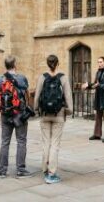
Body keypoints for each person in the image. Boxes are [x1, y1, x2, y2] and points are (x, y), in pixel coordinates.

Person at [34, 54, 73, 184]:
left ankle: (45, 168)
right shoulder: (63, 78)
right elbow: (68, 97)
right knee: (55, 144)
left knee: (46, 142)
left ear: (47, 63)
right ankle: (52, 174)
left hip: (45, 114)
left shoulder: (42, 77)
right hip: (59, 114)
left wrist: (35, 109)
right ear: (58, 63)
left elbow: (37, 95)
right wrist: (69, 110)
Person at [0, 55, 35, 179]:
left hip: (5, 113)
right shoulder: (22, 78)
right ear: (15, 65)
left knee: (5, 142)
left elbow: (0, 93)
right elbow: (26, 93)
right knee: (21, 141)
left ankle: (2, 170)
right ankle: (21, 169)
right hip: (19, 114)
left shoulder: (0, 79)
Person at [83, 56, 104, 142]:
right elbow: (95, 83)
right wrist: (88, 86)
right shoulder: (98, 72)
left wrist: (99, 85)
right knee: (98, 116)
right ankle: (97, 134)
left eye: (101, 62)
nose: (99, 63)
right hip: (100, 96)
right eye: (98, 62)